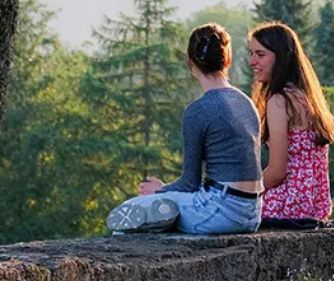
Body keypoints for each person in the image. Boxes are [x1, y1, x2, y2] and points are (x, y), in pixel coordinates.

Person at [105, 23, 264, 235]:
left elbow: (190, 183)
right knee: (160, 207)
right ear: (227, 59)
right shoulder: (246, 103)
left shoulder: (197, 111)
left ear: (191, 62)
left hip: (220, 211)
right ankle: (165, 214)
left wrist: (160, 189)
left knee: (130, 213)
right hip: (253, 213)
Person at [249, 21, 334, 221]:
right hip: (316, 205)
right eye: (251, 53)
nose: (252, 61)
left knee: (227, 211)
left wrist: (247, 191)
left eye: (260, 54)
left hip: (290, 204)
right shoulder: (305, 98)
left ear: (281, 58)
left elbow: (278, 172)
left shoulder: (280, 101)